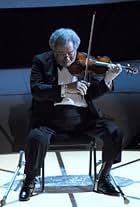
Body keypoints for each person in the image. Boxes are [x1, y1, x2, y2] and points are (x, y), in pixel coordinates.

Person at [19, 28, 123, 201]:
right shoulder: (41, 61)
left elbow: (93, 93)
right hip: (49, 120)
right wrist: (66, 89)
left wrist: (108, 80)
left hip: (83, 118)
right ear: (53, 51)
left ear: (76, 48)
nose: (67, 58)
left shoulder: (84, 61)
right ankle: (30, 180)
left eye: (70, 53)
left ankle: (104, 177)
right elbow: (36, 90)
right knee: (36, 138)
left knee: (114, 132)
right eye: (60, 54)